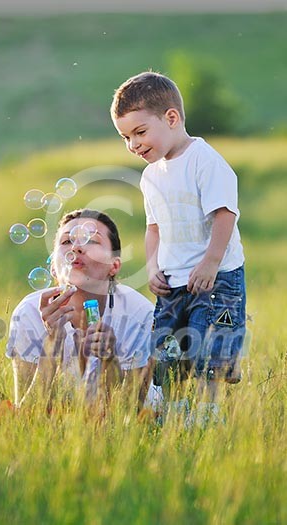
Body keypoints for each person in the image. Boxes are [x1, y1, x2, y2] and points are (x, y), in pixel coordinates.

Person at [111, 71, 246, 424]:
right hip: (173, 281)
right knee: (167, 350)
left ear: (171, 118)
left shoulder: (205, 160)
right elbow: (153, 227)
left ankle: (208, 413)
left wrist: (210, 263)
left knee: (208, 347)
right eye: (126, 137)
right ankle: (174, 410)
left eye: (140, 132)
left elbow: (224, 215)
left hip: (216, 281)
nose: (133, 144)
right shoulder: (151, 176)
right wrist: (153, 265)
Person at [6, 208, 158, 412]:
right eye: (67, 241)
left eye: (92, 240)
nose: (76, 247)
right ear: (53, 267)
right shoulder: (29, 313)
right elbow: (26, 415)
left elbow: (129, 415)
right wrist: (51, 345)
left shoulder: (139, 314)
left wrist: (110, 360)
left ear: (114, 265)